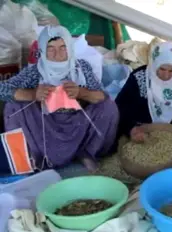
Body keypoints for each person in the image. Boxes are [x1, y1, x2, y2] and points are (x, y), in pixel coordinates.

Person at [1, 25, 119, 170]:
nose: (58, 54)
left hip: (78, 124)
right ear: (42, 50)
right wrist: (33, 94)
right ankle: (30, 157)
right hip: (44, 126)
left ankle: (87, 153)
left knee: (108, 107)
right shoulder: (35, 72)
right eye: (51, 48)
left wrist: (82, 93)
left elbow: (101, 96)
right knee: (13, 106)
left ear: (70, 47)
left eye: (63, 47)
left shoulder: (81, 68)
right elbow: (3, 89)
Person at [115, 41, 172, 147]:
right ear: (155, 63)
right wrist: (131, 129)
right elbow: (121, 106)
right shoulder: (139, 78)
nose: (166, 75)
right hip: (141, 130)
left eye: (171, 71)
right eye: (162, 69)